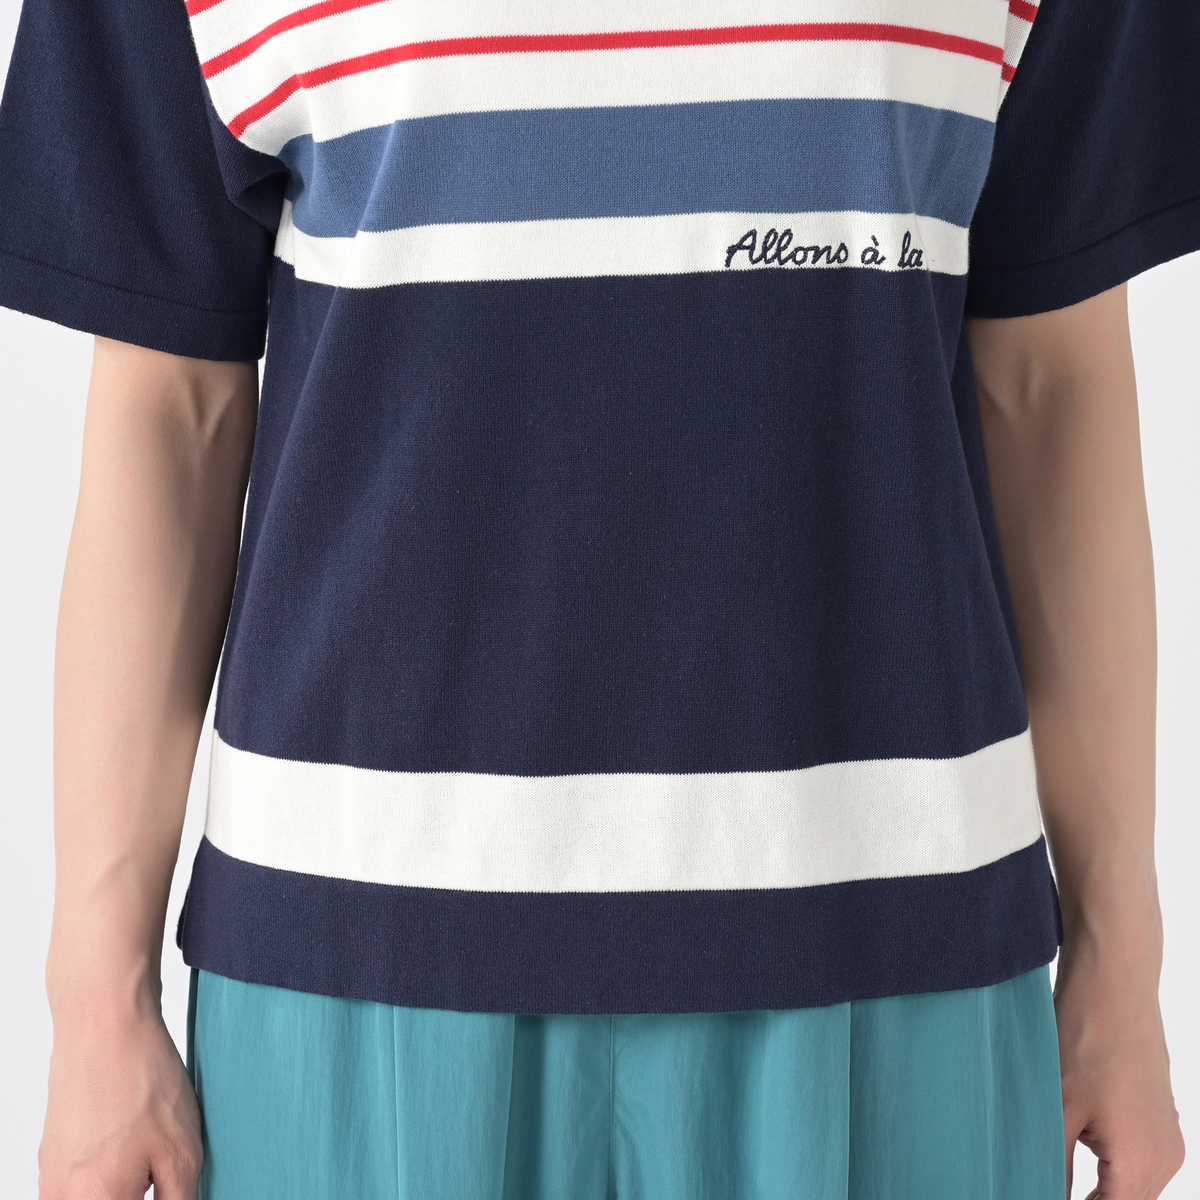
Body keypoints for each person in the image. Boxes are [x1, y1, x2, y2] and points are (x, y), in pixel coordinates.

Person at [2, 0, 1196, 1196]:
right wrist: (96, 996)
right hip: (361, 953)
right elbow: (172, 410)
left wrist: (1121, 952)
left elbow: (1050, 384)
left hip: (890, 941)